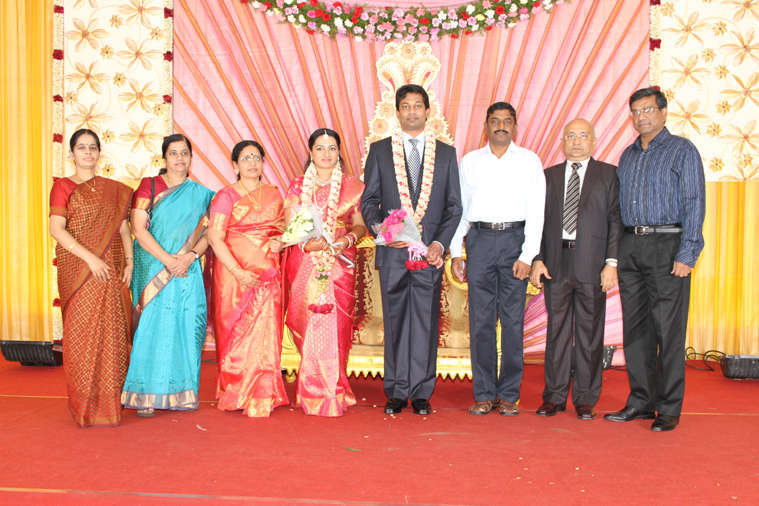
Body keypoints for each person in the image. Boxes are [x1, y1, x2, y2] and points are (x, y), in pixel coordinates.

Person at [604, 88, 705, 432]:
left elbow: (694, 201)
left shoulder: (682, 150)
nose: (641, 117)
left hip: (668, 245)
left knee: (668, 330)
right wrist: (616, 254)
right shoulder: (628, 155)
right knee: (636, 330)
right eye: (635, 111)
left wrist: (687, 252)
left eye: (647, 110)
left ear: (663, 112)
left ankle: (669, 407)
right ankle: (641, 401)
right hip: (631, 245)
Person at [361, 84, 462, 416]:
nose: (412, 111)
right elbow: (369, 202)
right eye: (406, 106)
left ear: (428, 111)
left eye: (418, 105)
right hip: (394, 252)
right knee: (395, 322)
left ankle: (420, 392)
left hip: (428, 255)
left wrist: (438, 244)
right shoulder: (380, 151)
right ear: (397, 112)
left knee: (425, 323)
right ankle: (395, 390)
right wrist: (383, 231)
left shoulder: (445, 154)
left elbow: (454, 207)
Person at [450, 101, 545, 416]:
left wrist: (528, 255)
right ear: (486, 126)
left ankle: (508, 395)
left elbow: (537, 212)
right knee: (481, 322)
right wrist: (456, 251)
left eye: (507, 121)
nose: (501, 126)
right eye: (495, 120)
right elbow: (460, 210)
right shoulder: (470, 161)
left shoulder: (529, 161)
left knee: (513, 322)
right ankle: (484, 393)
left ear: (515, 126)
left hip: (514, 242)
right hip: (479, 241)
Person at [530, 119, 622, 420]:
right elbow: (537, 222)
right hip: (556, 263)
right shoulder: (549, 176)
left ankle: (585, 398)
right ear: (562, 142)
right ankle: (554, 397)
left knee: (589, 333)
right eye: (571, 136)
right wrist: (537, 258)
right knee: (556, 332)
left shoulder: (608, 174)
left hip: (592, 265)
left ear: (594, 141)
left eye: (583, 136)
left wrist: (611, 263)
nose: (577, 141)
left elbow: (615, 221)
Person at [121, 134, 215, 417]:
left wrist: (189, 256)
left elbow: (209, 234)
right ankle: (145, 395)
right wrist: (168, 260)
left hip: (187, 269)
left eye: (184, 153)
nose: (179, 158)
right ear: (164, 157)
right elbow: (139, 229)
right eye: (173, 153)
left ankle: (180, 394)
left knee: (185, 327)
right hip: (154, 268)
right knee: (152, 328)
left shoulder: (202, 194)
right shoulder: (149, 186)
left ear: (191, 157)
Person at [49, 129, 134, 427]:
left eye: (93, 147)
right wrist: (90, 258)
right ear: (72, 153)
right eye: (82, 147)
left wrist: (130, 262)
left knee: (112, 334)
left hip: (110, 269)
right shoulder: (62, 186)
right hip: (80, 270)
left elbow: (124, 228)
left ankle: (109, 404)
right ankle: (84, 404)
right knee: (81, 336)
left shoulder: (114, 190)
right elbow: (56, 229)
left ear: (99, 153)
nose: (88, 152)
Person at [284, 128, 367, 417]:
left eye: (332, 148)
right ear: (310, 153)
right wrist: (306, 243)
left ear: (339, 152)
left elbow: (360, 225)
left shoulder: (352, 186)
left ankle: (335, 389)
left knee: (337, 327)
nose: (326, 154)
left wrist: (347, 240)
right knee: (309, 323)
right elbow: (290, 225)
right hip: (306, 261)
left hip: (339, 262)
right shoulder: (298, 186)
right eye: (320, 148)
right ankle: (310, 390)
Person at [208, 140, 288, 417]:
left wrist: (280, 242)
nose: (252, 163)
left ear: (263, 162)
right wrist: (238, 272)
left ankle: (264, 392)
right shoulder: (225, 196)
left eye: (256, 157)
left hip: (267, 273)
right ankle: (236, 391)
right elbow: (215, 238)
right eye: (245, 158)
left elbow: (282, 231)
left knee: (266, 332)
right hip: (234, 275)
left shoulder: (273, 195)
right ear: (235, 165)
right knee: (235, 332)